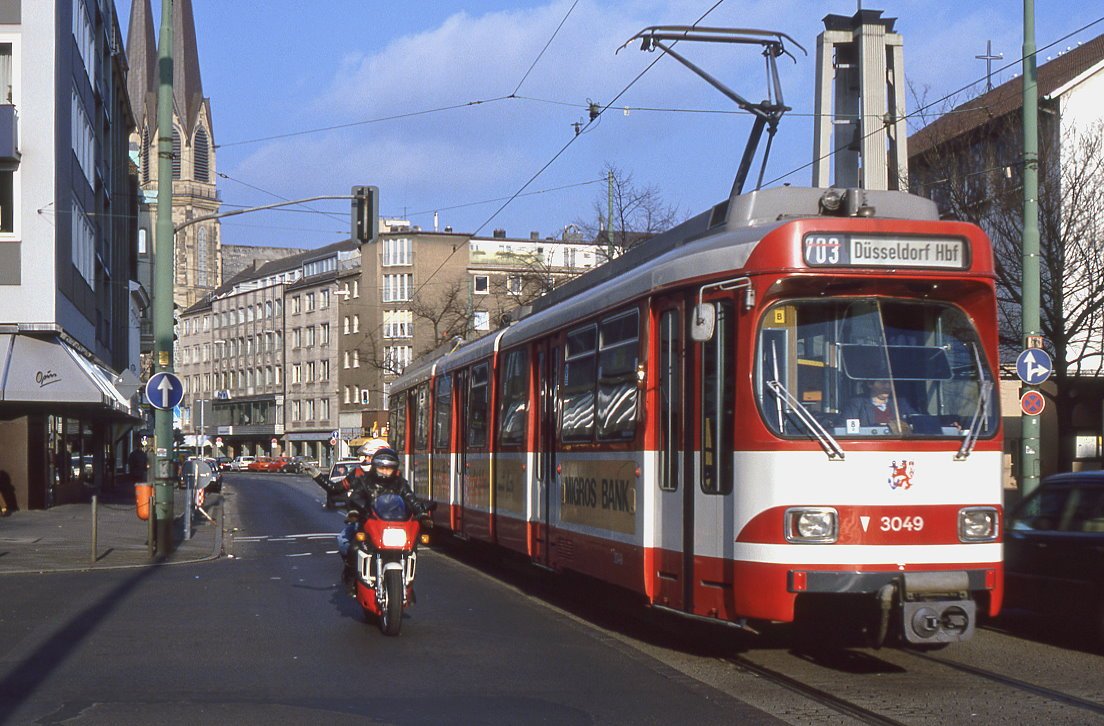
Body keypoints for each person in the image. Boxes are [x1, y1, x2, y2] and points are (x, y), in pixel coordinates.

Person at [843, 380, 915, 429]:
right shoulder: (857, 403)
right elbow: (843, 427)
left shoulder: (901, 403)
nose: (887, 386)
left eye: (890, 383)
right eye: (883, 382)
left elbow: (916, 421)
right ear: (870, 384)